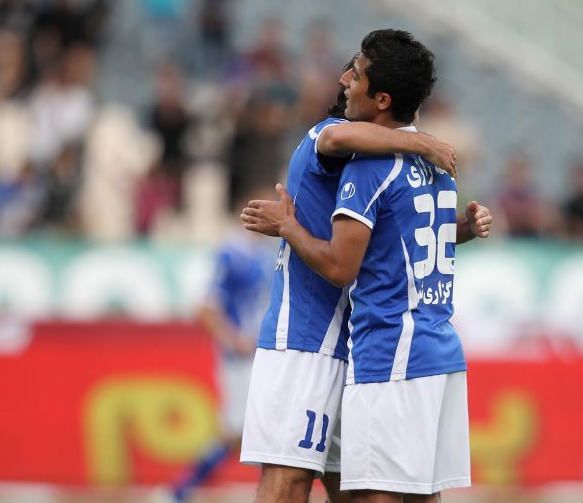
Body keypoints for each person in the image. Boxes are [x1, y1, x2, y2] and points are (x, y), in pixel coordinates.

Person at [242, 30, 491, 502]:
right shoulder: (332, 139)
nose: (343, 81)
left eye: (354, 74)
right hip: (308, 337)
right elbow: (336, 135)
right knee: (293, 479)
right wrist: (423, 143)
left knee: (359, 488)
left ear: (381, 98)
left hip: (363, 346)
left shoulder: (377, 161)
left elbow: (397, 237)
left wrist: (458, 224)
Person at [153, 193, 275, 503]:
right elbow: (206, 307)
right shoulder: (231, 254)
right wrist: (233, 339)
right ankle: (179, 490)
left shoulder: (265, 254)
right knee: (239, 431)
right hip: (240, 358)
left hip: (263, 354)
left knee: (258, 428)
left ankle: (181, 491)